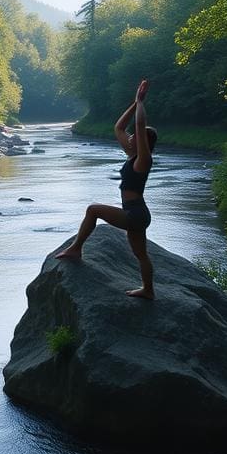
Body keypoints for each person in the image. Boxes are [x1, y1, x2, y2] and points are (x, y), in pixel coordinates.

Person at [55, 79, 157, 299]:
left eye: (135, 137)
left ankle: (76, 248)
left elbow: (139, 126)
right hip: (137, 213)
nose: (129, 136)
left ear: (142, 142)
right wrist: (134, 102)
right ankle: (148, 290)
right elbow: (119, 127)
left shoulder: (144, 160)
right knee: (141, 255)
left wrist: (141, 103)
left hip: (135, 213)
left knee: (93, 210)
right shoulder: (133, 157)